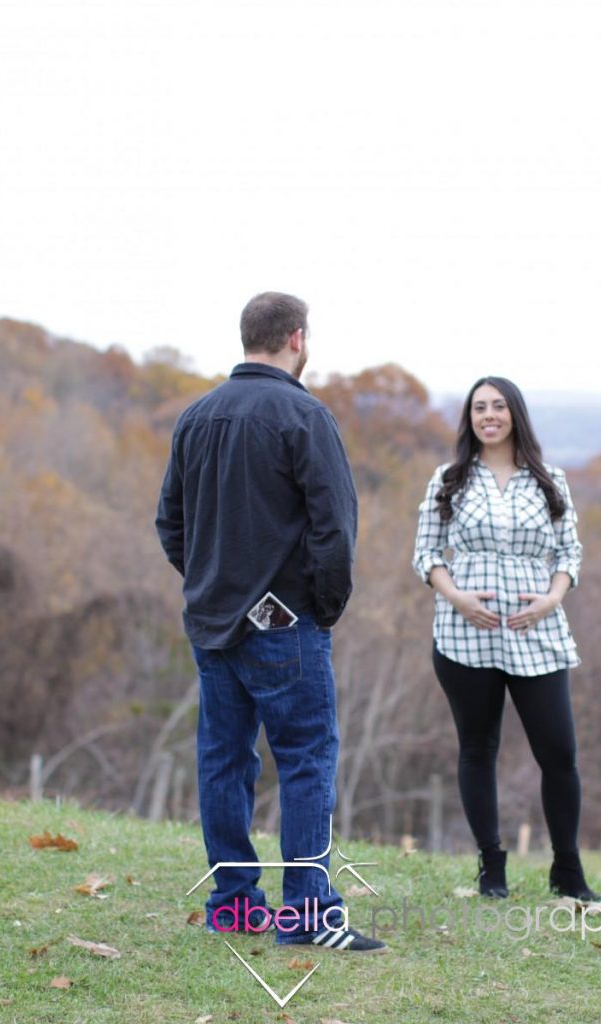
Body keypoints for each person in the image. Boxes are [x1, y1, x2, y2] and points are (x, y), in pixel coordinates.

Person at [156, 291, 386, 952]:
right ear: (295, 337)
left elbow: (169, 523)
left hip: (212, 623)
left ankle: (233, 905)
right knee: (306, 760)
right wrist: (321, 608)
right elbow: (334, 530)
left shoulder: (195, 416)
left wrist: (207, 585)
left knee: (223, 761)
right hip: (283, 625)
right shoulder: (304, 414)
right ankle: (308, 914)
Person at [412, 375, 601, 901]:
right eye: (479, 408)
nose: (488, 415)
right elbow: (425, 554)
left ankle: (568, 871)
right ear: (469, 418)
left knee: (559, 753)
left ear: (514, 413)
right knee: (477, 748)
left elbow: (570, 554)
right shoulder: (448, 479)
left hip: (535, 630)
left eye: (498, 406)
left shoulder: (549, 481)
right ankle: (491, 868)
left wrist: (552, 598)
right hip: (464, 634)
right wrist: (457, 598)